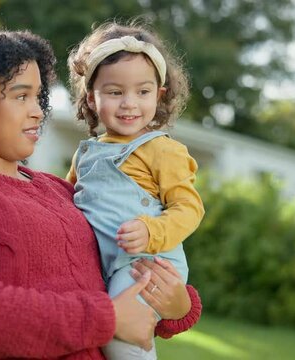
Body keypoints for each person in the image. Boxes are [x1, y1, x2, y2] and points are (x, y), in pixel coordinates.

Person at [0, 28, 202, 360]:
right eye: (20, 95)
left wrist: (178, 305)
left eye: (38, 96)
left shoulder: (60, 190)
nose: (39, 111)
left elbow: (118, 285)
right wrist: (107, 318)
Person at [66, 22, 205, 359]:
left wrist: (150, 229)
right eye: (115, 92)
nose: (130, 103)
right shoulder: (86, 154)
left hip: (145, 265)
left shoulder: (163, 150)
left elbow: (189, 208)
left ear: (159, 95)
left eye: (142, 92)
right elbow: (64, 201)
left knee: (122, 338)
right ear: (91, 97)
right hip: (105, 266)